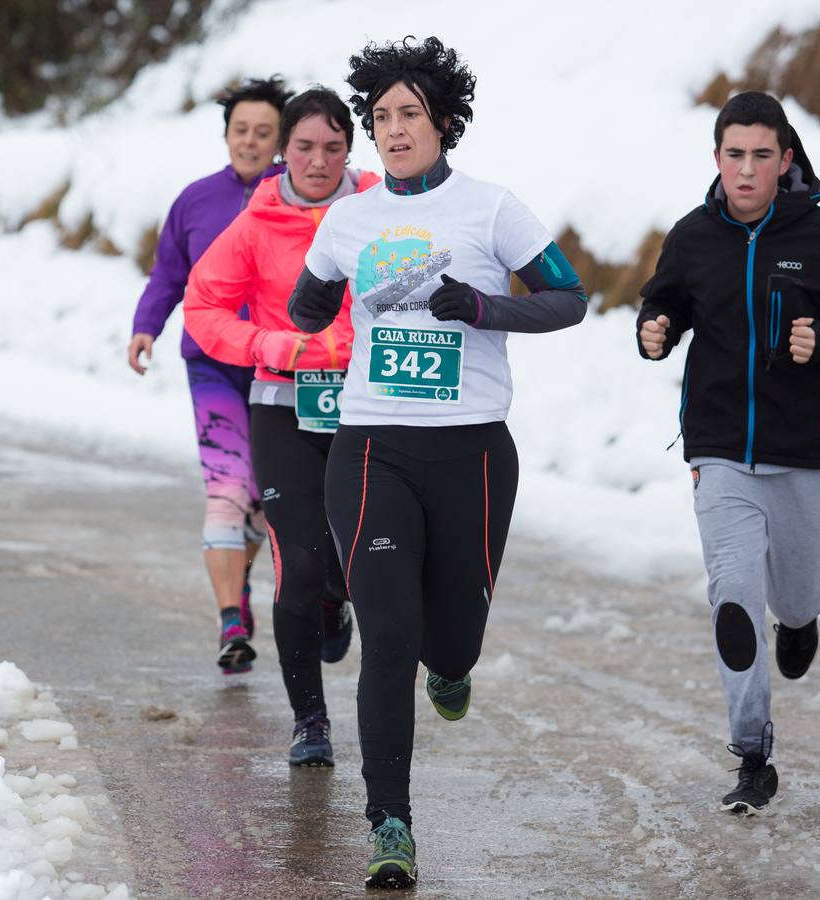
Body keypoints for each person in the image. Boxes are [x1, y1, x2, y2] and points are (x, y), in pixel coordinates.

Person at [288, 38, 588, 888]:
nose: (392, 130)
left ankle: (452, 666)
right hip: (372, 445)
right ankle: (390, 823)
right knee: (389, 635)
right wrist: (312, 308)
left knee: (448, 641)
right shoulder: (350, 218)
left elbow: (570, 298)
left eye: (408, 114)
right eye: (379, 118)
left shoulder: (492, 210)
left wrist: (484, 306)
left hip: (473, 454)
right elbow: (308, 305)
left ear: (445, 121)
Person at [635, 90, 820, 815]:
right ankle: (751, 752)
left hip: (803, 452)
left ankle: (803, 621)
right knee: (734, 596)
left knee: (795, 594)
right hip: (719, 452)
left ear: (785, 161)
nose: (747, 170)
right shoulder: (692, 235)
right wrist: (654, 328)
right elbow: (666, 301)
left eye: (761, 156)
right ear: (717, 159)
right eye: (734, 155)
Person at [184, 87, 378, 768]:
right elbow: (203, 307)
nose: (318, 160)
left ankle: (337, 600)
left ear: (350, 148)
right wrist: (273, 346)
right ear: (282, 150)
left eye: (332, 147)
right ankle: (310, 720)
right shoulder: (257, 221)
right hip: (284, 406)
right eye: (304, 147)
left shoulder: (382, 211)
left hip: (370, 405)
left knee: (353, 560)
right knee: (298, 561)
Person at [127, 77, 290, 674]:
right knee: (226, 490)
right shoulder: (195, 200)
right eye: (240, 130)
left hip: (282, 366)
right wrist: (148, 324)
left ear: (280, 141)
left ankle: (244, 587)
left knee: (266, 500)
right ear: (226, 134)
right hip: (213, 364)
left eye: (263, 132)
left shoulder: (295, 197)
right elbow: (169, 273)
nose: (249, 141)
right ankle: (230, 619)